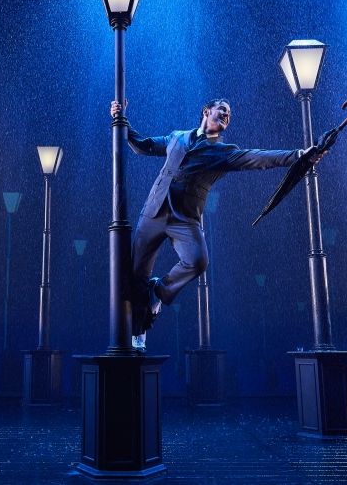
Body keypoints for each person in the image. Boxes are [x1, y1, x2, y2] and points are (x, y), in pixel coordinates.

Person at [111, 98, 325, 352]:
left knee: (198, 260)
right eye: (222, 110)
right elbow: (142, 146)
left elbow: (258, 157)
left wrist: (300, 156)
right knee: (136, 275)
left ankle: (158, 291)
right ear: (206, 111)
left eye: (229, 114)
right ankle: (139, 332)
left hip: (186, 218)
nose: (226, 115)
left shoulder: (223, 152)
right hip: (153, 212)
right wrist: (121, 120)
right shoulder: (177, 137)